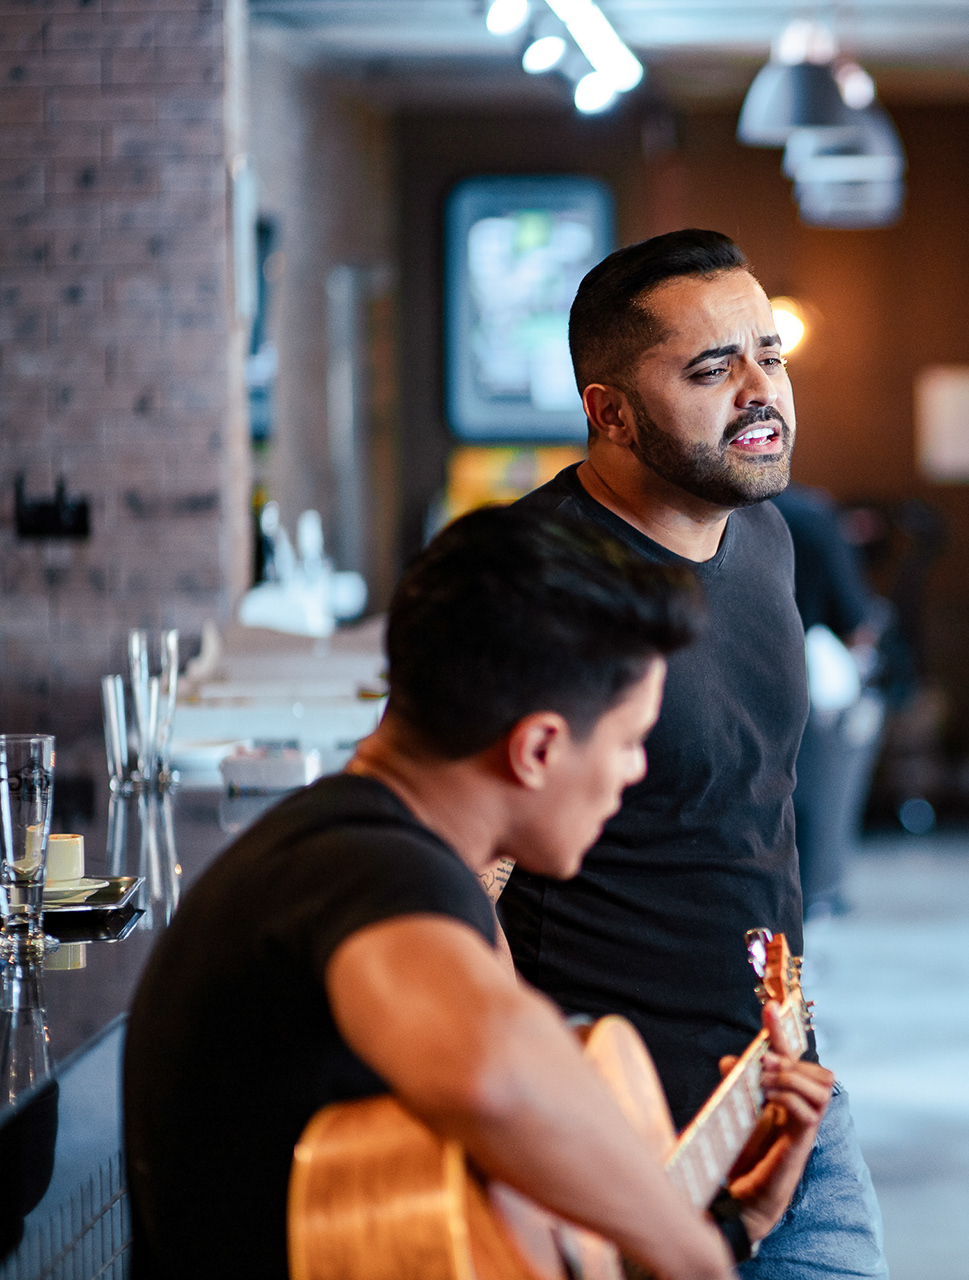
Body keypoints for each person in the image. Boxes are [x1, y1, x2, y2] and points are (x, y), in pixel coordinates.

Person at [123, 507, 834, 1279]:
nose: (635, 772)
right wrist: (696, 1258)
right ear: (538, 748)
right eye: (631, 742)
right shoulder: (364, 867)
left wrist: (735, 1224)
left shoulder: (369, 855)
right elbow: (494, 1074)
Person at [500, 229, 889, 1279]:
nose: (762, 391)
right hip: (621, 1141)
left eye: (770, 354)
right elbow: (458, 876)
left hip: (784, 1091)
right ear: (611, 412)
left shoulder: (764, 536)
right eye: (713, 369)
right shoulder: (535, 584)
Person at [772, 482, 887, 918]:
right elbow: (855, 618)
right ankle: (816, 892)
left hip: (733, 672)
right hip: (809, 675)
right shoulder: (814, 517)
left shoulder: (716, 509)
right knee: (822, 792)